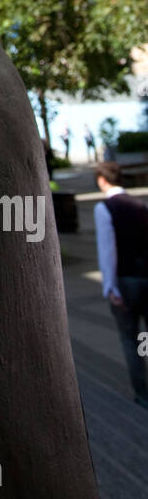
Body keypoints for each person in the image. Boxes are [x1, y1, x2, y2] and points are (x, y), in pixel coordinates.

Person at [94, 161, 148, 408]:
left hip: (125, 283)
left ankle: (143, 394)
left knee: (130, 339)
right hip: (146, 278)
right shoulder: (140, 205)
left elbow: (108, 252)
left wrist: (110, 288)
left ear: (102, 180)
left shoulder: (104, 208)